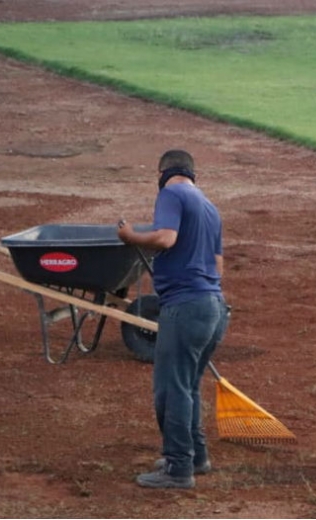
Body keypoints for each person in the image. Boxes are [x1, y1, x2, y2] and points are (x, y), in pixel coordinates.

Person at [118, 149, 230, 489]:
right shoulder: (209, 206)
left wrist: (131, 236)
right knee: (188, 385)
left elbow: (166, 238)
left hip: (186, 307)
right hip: (213, 307)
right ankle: (196, 456)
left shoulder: (171, 194)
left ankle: (178, 468)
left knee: (171, 389)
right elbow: (218, 265)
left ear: (162, 171)